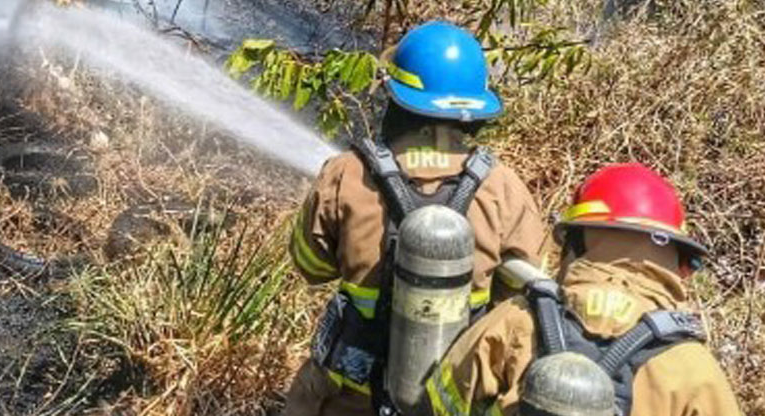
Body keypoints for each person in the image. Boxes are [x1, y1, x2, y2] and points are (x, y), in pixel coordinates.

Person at [284, 21, 546, 416]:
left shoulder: (346, 173)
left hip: (347, 396)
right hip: (453, 399)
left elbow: (310, 266)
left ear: (396, 98)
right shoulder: (502, 186)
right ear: (473, 114)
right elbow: (525, 293)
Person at [424, 163, 742, 416]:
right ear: (676, 262)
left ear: (575, 242)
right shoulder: (693, 368)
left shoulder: (518, 320)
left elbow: (439, 401)